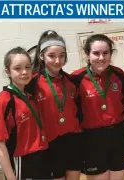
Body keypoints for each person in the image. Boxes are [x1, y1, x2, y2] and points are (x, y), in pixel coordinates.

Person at [70, 34, 124, 180]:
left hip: (118, 134)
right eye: (96, 53)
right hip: (91, 138)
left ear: (111, 54)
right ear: (87, 55)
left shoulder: (119, 75)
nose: (101, 58)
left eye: (106, 53)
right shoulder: (75, 79)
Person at [26, 30, 82, 180]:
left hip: (73, 141)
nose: (57, 60)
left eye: (62, 55)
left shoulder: (71, 82)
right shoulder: (32, 83)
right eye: (51, 56)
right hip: (50, 145)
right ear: (41, 56)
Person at [0, 47, 51, 179]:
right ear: (8, 71)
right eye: (18, 68)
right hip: (22, 161)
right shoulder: (3, 101)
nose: (24, 72)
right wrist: (11, 177)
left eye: (28, 67)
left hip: (42, 157)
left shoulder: (30, 96)